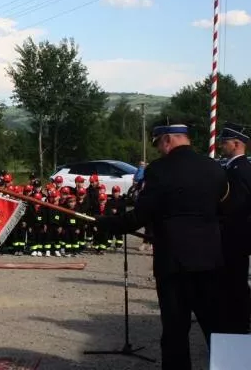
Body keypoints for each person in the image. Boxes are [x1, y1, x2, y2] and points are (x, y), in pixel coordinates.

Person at [95, 124, 228, 370]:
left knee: (176, 331)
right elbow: (223, 210)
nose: (159, 150)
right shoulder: (215, 168)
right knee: (216, 326)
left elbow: (142, 216)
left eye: (158, 144)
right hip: (210, 260)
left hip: (174, 264)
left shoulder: (159, 170)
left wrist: (108, 225)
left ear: (167, 140)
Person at [217, 122, 251, 334]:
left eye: (225, 142)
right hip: (233, 234)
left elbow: (236, 206)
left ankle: (239, 323)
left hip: (235, 235)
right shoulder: (233, 167)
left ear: (237, 143)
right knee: (231, 280)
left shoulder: (240, 170)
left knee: (235, 281)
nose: (222, 146)